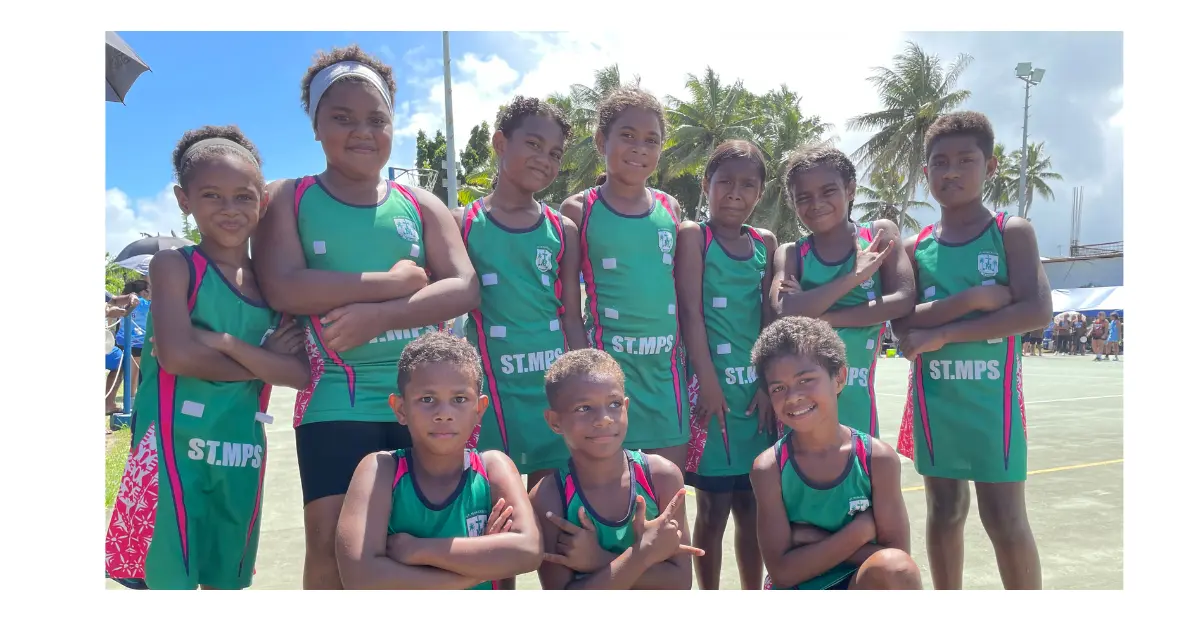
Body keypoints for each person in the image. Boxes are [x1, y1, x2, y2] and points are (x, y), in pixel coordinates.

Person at [252, 45, 480, 589]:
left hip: (429, 401)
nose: (362, 131)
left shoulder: (419, 202)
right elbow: (283, 285)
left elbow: (464, 287)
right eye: (342, 117)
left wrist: (378, 318)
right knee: (333, 548)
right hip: (337, 396)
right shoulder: (288, 198)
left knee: (424, 545)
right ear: (315, 126)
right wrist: (395, 283)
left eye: (377, 119)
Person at [104, 125, 312, 590]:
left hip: (241, 449)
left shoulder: (273, 285)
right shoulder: (174, 266)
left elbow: (298, 374)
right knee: (171, 583)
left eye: (243, 196)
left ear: (261, 199)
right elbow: (177, 358)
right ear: (184, 199)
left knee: (227, 581)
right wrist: (260, 359)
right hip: (171, 449)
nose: (230, 209)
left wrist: (225, 344)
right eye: (212, 195)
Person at [892, 111, 1052, 590]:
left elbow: (1036, 312)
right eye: (939, 163)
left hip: (992, 405)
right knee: (944, 511)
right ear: (926, 174)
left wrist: (942, 333)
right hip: (935, 402)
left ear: (991, 166)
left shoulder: (1010, 231)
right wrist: (975, 300)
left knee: (1004, 518)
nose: (952, 172)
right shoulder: (914, 245)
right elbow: (901, 323)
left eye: (966, 160)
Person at [452, 96, 586, 495]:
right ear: (499, 143)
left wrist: (582, 380)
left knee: (552, 514)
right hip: (493, 393)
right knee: (496, 512)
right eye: (533, 144)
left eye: (555, 153)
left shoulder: (563, 229)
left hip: (550, 388)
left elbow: (572, 318)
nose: (544, 158)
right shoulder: (462, 223)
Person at [334, 332, 542, 589]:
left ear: (479, 409)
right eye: (427, 399)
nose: (444, 414)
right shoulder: (381, 470)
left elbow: (528, 550)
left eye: (459, 399)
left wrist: (420, 549)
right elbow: (361, 578)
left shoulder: (492, 467)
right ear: (400, 409)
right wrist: (477, 571)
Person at [558, 88, 690, 471]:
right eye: (627, 136)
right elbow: (567, 304)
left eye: (652, 140)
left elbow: (681, 295)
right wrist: (589, 374)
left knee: (669, 495)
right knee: (608, 498)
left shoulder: (670, 208)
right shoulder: (580, 209)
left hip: (666, 380)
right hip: (609, 383)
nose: (640, 148)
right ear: (602, 140)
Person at [749, 316, 921, 590]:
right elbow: (782, 572)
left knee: (893, 568)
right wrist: (859, 532)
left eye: (805, 380)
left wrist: (814, 538)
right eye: (778, 388)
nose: (793, 396)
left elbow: (898, 561)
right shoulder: (769, 468)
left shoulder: (876, 460)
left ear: (839, 378)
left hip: (857, 585)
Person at [675, 140, 777, 589]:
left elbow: (769, 320)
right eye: (725, 182)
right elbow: (692, 313)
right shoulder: (695, 235)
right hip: (711, 396)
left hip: (754, 398)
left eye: (748, 185)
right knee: (712, 510)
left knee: (751, 508)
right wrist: (709, 382)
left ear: (760, 193)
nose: (735, 193)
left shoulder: (766, 243)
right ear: (706, 185)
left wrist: (768, 383)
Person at [769, 147, 916, 439]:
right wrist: (856, 277)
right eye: (804, 197)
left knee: (862, 474)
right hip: (801, 404)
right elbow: (785, 311)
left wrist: (818, 315)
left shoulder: (878, 236)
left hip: (858, 401)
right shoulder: (792, 254)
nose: (817, 203)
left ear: (850, 190)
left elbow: (903, 299)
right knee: (800, 475)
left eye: (828, 191)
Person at [529, 349, 702, 589]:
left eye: (614, 404)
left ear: (626, 407)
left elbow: (680, 582)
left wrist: (599, 560)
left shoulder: (661, 477)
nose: (605, 418)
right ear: (554, 421)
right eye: (584, 408)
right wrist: (643, 555)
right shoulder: (549, 497)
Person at [105, 279, 152, 413]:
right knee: (138, 372)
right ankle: (133, 399)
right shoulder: (146, 304)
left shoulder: (130, 303)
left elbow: (113, 301)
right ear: (143, 292)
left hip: (122, 341)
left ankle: (129, 399)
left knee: (130, 371)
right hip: (140, 342)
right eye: (149, 290)